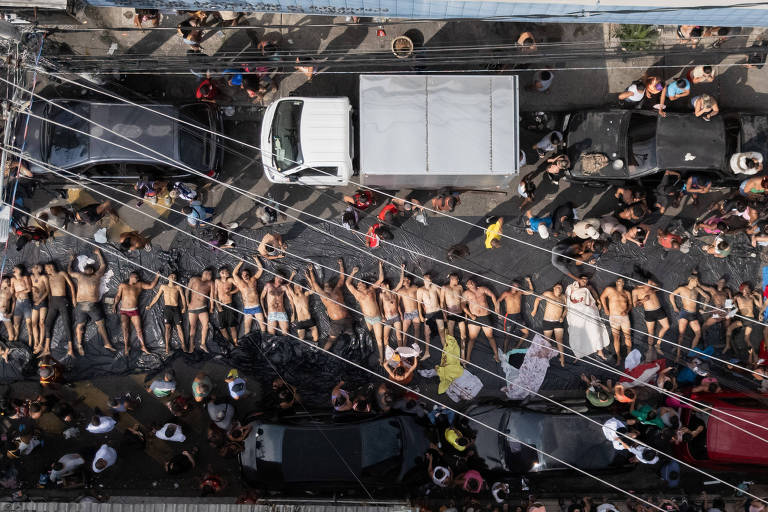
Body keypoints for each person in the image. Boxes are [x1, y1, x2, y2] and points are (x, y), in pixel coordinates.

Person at [68, 249, 115, 354]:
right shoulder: (80, 276)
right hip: (82, 305)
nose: (88, 271)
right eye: (86, 269)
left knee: (100, 324)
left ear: (92, 271)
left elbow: (103, 266)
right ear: (84, 271)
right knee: (80, 325)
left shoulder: (96, 276)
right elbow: (70, 272)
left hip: (91, 304)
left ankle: (107, 343)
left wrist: (99, 254)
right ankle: (79, 344)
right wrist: (71, 260)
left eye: (89, 269)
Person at [306, 260, 355, 350]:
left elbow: (342, 278)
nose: (327, 286)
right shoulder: (322, 295)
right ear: (324, 288)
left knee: (351, 336)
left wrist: (341, 265)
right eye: (325, 286)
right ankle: (324, 352)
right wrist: (311, 271)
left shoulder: (337, 290)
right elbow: (314, 283)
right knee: (331, 339)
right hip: (336, 322)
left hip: (347, 318)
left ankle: (351, 350)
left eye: (328, 285)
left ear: (331, 286)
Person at [346, 263, 387, 363]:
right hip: (367, 319)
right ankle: (362, 354)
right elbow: (348, 283)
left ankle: (382, 358)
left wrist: (380, 266)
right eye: (360, 283)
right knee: (363, 335)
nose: (362, 283)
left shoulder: (371, 289)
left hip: (376, 318)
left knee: (379, 339)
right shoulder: (356, 293)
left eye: (363, 282)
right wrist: (353, 273)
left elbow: (381, 279)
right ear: (358, 287)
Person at [113, 271, 159, 355]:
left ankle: (143, 346)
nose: (138, 279)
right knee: (125, 329)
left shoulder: (139, 285)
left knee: (139, 330)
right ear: (131, 277)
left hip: (134, 310)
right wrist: (115, 305)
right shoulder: (123, 285)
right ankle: (126, 347)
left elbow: (151, 286)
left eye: (138, 278)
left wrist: (157, 276)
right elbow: (118, 296)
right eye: (136, 277)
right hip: (124, 311)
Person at [566, 277, 610, 361]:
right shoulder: (571, 287)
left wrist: (598, 301)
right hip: (577, 312)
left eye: (586, 280)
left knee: (596, 330)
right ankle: (578, 354)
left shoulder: (588, 287)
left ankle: (600, 351)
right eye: (583, 279)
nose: (585, 281)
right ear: (579, 279)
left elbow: (594, 293)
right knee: (577, 333)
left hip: (588, 310)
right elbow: (567, 300)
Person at [146, 272, 188, 353]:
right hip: (167, 309)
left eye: (174, 276)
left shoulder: (178, 287)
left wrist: (184, 307)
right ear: (168, 277)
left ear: (176, 279)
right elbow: (157, 296)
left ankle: (183, 345)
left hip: (176, 309)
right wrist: (150, 305)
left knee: (179, 327)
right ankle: (167, 347)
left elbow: (183, 297)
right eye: (171, 276)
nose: (173, 277)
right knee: (168, 328)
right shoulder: (163, 286)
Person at [671, 275, 710, 361]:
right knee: (681, 334)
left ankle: (691, 353)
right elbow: (671, 295)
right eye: (696, 281)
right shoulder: (682, 288)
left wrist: (703, 308)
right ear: (691, 280)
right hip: (684, 313)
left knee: (698, 334)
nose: (697, 283)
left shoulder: (697, 289)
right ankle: (678, 355)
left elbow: (707, 297)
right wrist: (674, 307)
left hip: (693, 314)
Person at [462, 278, 500, 363]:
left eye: (472, 281)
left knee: (490, 336)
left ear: (476, 283)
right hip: (474, 317)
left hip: (485, 316)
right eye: (469, 282)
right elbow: (463, 306)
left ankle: (496, 355)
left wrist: (496, 308)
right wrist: (470, 315)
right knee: (472, 338)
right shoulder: (466, 293)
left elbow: (492, 295)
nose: (471, 283)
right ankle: (467, 358)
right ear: (467, 286)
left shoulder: (482, 289)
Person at [42, 262, 75, 356]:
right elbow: (48, 291)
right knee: (47, 324)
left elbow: (71, 285)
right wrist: (49, 302)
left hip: (62, 301)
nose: (46, 270)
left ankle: (70, 349)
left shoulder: (62, 273)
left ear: (51, 267)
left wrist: (74, 298)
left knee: (66, 323)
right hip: (53, 302)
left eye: (46, 268)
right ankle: (46, 348)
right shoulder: (48, 277)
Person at [532, 283, 567, 366]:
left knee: (559, 340)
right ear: (554, 288)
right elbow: (537, 299)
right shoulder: (548, 294)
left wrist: (562, 316)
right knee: (547, 341)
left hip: (558, 322)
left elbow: (566, 308)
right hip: (548, 321)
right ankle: (543, 359)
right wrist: (534, 310)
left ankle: (562, 358)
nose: (559, 289)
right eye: (558, 287)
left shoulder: (563, 297)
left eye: (561, 288)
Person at [600, 278, 633, 365]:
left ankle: (629, 355)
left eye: (622, 281)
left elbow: (630, 304)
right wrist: (606, 309)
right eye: (619, 280)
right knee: (616, 337)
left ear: (624, 283)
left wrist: (627, 311)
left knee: (628, 336)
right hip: (614, 317)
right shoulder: (610, 289)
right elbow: (602, 297)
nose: (620, 282)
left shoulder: (627, 293)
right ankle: (618, 357)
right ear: (616, 282)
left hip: (624, 317)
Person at [232, 257, 266, 339]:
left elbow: (260, 269)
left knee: (263, 326)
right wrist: (240, 262)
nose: (245, 276)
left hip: (257, 307)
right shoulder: (240, 282)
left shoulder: (253, 279)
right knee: (247, 329)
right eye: (243, 275)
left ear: (249, 274)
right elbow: (234, 274)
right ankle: (248, 343)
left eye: (247, 274)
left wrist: (256, 259)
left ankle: (265, 341)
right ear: (241, 276)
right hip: (247, 308)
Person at [725, 283, 762, 355]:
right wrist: (729, 312)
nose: (748, 289)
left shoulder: (751, 297)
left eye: (748, 288)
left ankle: (754, 355)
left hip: (750, 320)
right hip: (743, 319)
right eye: (747, 288)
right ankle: (727, 345)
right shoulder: (738, 296)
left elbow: (760, 306)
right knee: (730, 329)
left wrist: (759, 296)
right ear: (743, 289)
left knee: (746, 338)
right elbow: (728, 303)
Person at [498, 277, 534, 350]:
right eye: (516, 285)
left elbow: (531, 292)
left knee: (527, 333)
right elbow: (498, 301)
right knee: (508, 336)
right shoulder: (506, 293)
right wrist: (498, 313)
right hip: (509, 317)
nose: (517, 287)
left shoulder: (520, 292)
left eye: (518, 286)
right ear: (512, 286)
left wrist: (529, 281)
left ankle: (517, 347)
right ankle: (504, 352)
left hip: (518, 316)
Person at [418, 272, 446, 358]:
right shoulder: (420, 290)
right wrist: (420, 315)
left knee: (441, 332)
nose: (429, 280)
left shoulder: (435, 287)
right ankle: (427, 352)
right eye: (427, 278)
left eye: (430, 278)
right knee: (427, 333)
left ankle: (446, 351)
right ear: (424, 280)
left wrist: (444, 313)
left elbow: (442, 300)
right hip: (429, 313)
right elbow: (419, 304)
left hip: (437, 311)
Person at [286, 271, 318, 342]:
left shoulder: (306, 294)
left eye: (298, 286)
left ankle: (314, 347)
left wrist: (308, 277)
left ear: (301, 287)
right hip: (300, 322)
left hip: (309, 320)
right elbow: (288, 285)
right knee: (301, 339)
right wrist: (292, 275)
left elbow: (313, 289)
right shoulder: (294, 296)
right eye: (295, 286)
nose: (297, 287)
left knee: (316, 338)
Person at [394, 264, 423, 345]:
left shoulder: (415, 287)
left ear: (410, 281)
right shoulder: (400, 291)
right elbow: (397, 304)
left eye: (407, 280)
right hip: (407, 313)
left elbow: (421, 297)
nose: (405, 281)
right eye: (404, 280)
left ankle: (416, 346)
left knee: (417, 330)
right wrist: (401, 314)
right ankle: (404, 347)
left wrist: (422, 311)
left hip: (415, 312)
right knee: (405, 332)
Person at [187, 269, 214, 352]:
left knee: (206, 325)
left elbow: (212, 296)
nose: (211, 276)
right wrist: (187, 303)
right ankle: (191, 346)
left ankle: (203, 344)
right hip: (192, 307)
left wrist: (211, 307)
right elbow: (187, 291)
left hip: (203, 307)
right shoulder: (194, 279)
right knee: (192, 327)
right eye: (210, 274)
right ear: (205, 273)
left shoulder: (211, 283)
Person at [441, 273, 467, 356]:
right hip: (450, 314)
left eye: (458, 279)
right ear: (452, 279)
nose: (458, 281)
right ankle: (453, 354)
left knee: (463, 335)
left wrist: (466, 314)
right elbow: (442, 302)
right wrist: (444, 315)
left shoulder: (460, 287)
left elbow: (463, 301)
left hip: (460, 313)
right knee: (451, 335)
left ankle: (463, 355)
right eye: (457, 279)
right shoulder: (444, 288)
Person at [261, 271, 293, 336]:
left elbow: (291, 299)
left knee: (286, 333)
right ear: (275, 277)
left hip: (281, 313)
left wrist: (293, 313)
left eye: (282, 279)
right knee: (271, 334)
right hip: (271, 313)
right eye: (279, 278)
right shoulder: (268, 285)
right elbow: (261, 298)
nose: (280, 280)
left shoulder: (283, 287)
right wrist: (264, 311)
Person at [211, 267, 239, 344]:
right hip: (221, 305)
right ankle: (229, 343)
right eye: (227, 271)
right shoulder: (217, 281)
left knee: (232, 326)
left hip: (230, 304)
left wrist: (231, 292)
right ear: (222, 273)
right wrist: (218, 306)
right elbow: (215, 294)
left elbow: (238, 287)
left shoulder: (230, 280)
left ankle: (235, 343)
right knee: (222, 327)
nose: (228, 272)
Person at [10, 265, 33, 348]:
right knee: (16, 324)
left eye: (16, 269)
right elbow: (12, 291)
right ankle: (15, 339)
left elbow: (29, 289)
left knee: (29, 324)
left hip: (26, 302)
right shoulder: (12, 280)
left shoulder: (25, 278)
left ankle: (30, 341)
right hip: (18, 304)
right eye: (14, 269)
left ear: (20, 270)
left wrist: (19, 292)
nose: (14, 270)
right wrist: (12, 291)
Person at [29, 264, 49, 354]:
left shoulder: (43, 277)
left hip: (42, 302)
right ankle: (36, 342)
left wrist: (40, 300)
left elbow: (48, 290)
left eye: (35, 267)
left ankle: (40, 344)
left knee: (41, 323)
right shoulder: (31, 277)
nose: (32, 268)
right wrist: (32, 289)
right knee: (33, 324)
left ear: (39, 270)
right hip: (34, 303)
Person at [378, 276, 403, 348]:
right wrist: (382, 316)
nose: (381, 287)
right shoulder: (381, 295)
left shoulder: (393, 292)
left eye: (382, 285)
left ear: (387, 285)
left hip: (396, 317)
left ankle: (401, 352)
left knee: (399, 336)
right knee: (386, 337)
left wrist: (402, 271)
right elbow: (380, 306)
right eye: (380, 286)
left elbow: (400, 283)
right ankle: (388, 353)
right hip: (387, 318)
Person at [0, 278, 16, 344]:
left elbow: (14, 302)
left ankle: (9, 347)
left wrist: (11, 313)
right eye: (6, 281)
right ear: (2, 282)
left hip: (5, 314)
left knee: (12, 335)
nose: (8, 283)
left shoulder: (11, 290)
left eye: (9, 281)